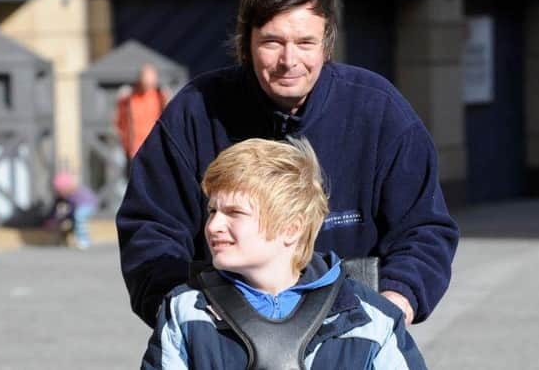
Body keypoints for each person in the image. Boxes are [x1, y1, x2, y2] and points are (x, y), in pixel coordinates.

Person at [117, 0, 459, 328]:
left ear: (327, 44)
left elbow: (424, 230)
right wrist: (180, 311)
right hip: (221, 333)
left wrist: (394, 303)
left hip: (353, 334)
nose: (288, 61)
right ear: (246, 42)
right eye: (272, 42)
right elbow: (150, 231)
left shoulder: (379, 112)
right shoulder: (196, 112)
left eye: (305, 43)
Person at [140, 138, 427, 369]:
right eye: (213, 211)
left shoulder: (370, 319)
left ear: (291, 228)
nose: (214, 226)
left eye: (234, 213)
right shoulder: (186, 310)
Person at [114, 63, 170, 175]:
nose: (148, 86)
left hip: (156, 149)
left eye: (151, 83)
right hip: (133, 151)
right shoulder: (128, 98)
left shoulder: (160, 96)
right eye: (146, 83)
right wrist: (124, 142)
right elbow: (119, 122)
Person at [46, 171, 98, 250]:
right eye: (58, 192)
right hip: (78, 207)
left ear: (66, 188)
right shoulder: (64, 196)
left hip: (88, 205)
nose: (59, 194)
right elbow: (56, 207)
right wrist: (52, 219)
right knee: (68, 215)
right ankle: (64, 237)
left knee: (79, 216)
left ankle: (84, 239)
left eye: (60, 192)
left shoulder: (77, 192)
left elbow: (84, 203)